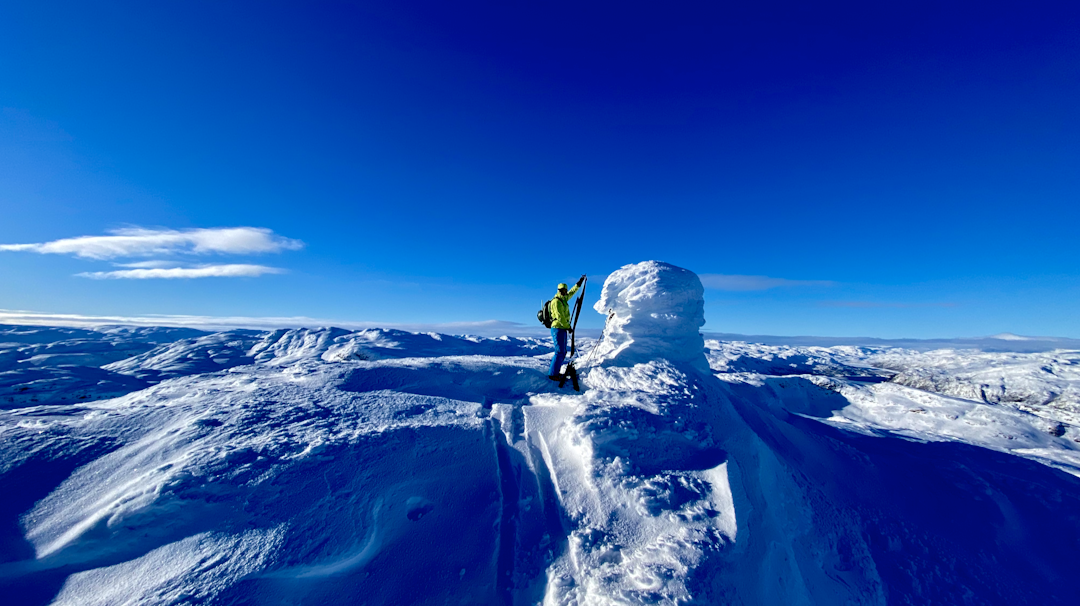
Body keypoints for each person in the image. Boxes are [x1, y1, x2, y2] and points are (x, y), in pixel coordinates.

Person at [548, 275, 585, 379]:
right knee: (559, 352)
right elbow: (560, 317)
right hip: (558, 328)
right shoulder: (556, 301)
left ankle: (555, 372)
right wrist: (568, 326)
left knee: (563, 352)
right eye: (562, 290)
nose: (564, 292)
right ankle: (553, 374)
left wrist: (579, 283)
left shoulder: (564, 299)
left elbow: (572, 293)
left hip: (562, 328)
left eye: (565, 290)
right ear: (558, 290)